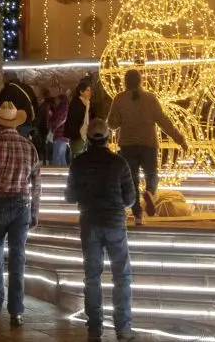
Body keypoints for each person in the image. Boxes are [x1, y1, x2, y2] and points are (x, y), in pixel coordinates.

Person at [66, 119, 137, 342]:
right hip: (115, 222)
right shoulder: (119, 163)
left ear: (88, 137)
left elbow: (69, 196)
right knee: (121, 276)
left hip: (90, 222)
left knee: (92, 277)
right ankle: (123, 328)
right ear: (108, 137)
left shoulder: (79, 163)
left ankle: (94, 329)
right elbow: (131, 198)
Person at [0, 102, 41, 328]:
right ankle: (16, 311)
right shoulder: (28, 147)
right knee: (18, 259)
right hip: (21, 205)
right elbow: (36, 182)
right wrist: (34, 211)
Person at [107, 69, 185, 227]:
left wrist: (122, 119)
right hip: (148, 143)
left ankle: (138, 216)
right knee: (152, 174)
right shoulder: (150, 99)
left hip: (128, 145)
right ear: (140, 81)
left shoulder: (120, 99)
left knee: (132, 180)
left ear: (125, 82)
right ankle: (150, 192)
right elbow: (163, 121)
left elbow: (112, 124)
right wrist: (179, 138)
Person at [0, 73, 40, 141]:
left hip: (15, 124)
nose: (2, 80)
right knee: (25, 145)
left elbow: (1, 107)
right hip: (29, 123)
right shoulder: (28, 88)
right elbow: (35, 104)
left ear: (7, 78)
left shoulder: (7, 89)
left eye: (3, 78)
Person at [65, 80, 95, 158]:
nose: (90, 92)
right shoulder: (76, 103)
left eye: (90, 90)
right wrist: (76, 135)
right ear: (81, 91)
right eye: (87, 90)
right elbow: (73, 121)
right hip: (78, 135)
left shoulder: (87, 103)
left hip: (85, 134)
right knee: (77, 157)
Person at [49, 91, 71, 166]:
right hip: (64, 136)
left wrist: (53, 128)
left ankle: (56, 176)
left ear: (60, 99)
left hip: (59, 135)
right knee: (61, 157)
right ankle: (64, 176)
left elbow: (59, 120)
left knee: (56, 157)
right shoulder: (65, 107)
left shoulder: (62, 108)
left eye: (56, 99)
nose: (55, 101)